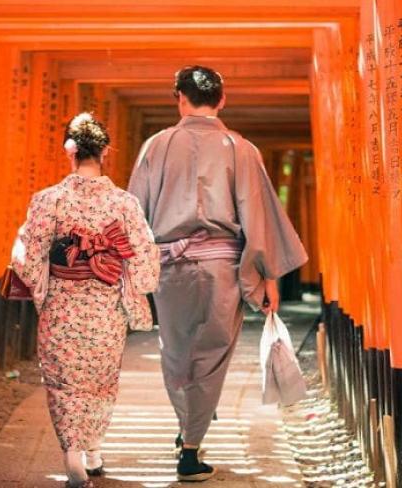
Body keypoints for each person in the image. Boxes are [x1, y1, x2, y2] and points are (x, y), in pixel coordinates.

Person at [128, 66, 308, 482]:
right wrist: (268, 278)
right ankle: (191, 448)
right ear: (222, 100)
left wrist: (134, 274)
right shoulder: (240, 148)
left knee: (175, 350)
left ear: (179, 98)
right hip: (222, 268)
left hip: (171, 267)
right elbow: (258, 216)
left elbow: (134, 214)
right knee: (212, 354)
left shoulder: (156, 146)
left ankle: (187, 427)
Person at [11, 112, 160, 488]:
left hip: (62, 307)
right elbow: (144, 257)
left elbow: (29, 258)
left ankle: (74, 456)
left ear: (69, 151)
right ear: (106, 151)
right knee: (101, 381)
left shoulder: (48, 200)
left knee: (63, 383)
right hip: (106, 309)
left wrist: (43, 284)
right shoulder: (124, 203)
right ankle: (92, 449)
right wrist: (132, 284)